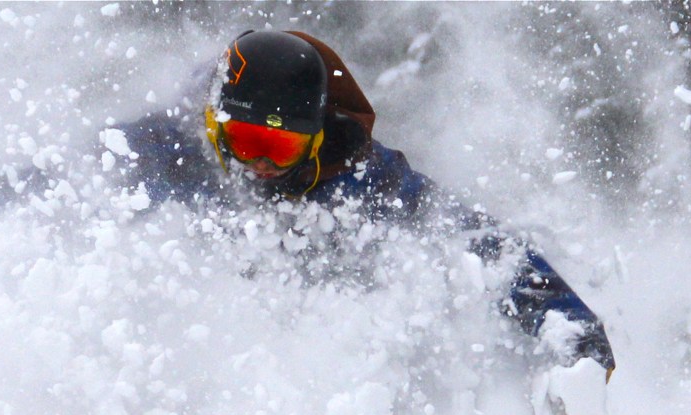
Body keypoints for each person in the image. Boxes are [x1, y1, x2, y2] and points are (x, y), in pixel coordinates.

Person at [110, 29, 615, 378]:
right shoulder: (168, 148)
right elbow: (69, 180)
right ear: (215, 126)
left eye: (282, 147)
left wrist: (573, 331)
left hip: (317, 342)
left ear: (315, 138)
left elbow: (478, 243)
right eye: (245, 142)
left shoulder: (361, 178)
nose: (261, 163)